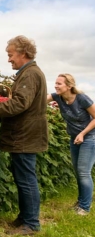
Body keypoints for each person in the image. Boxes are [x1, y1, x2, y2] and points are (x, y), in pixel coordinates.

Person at [0, 35, 48, 235]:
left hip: (25, 135)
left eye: (11, 55)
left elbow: (18, 104)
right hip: (25, 135)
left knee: (26, 178)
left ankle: (32, 223)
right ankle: (26, 217)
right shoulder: (28, 73)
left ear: (23, 53)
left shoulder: (30, 74)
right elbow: (17, 95)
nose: (9, 59)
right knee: (22, 177)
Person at [47, 74, 95, 215]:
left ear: (69, 86)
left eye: (59, 83)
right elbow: (38, 100)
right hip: (74, 138)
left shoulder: (82, 99)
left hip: (90, 138)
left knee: (83, 172)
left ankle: (85, 207)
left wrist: (82, 133)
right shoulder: (57, 97)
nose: (56, 86)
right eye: (55, 83)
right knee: (78, 172)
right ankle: (81, 202)